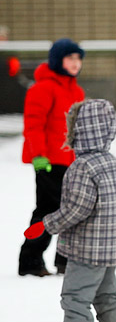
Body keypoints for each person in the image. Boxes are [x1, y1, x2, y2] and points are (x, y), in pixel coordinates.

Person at [23, 99, 116, 322]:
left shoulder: (82, 167)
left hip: (86, 247)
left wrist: (46, 224)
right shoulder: (113, 163)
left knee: (75, 294)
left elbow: (77, 210)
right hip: (110, 245)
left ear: (79, 130)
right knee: (107, 293)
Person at [18, 38, 86, 276]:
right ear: (58, 61)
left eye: (78, 58)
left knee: (73, 211)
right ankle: (30, 260)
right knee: (48, 211)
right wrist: (38, 155)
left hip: (71, 162)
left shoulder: (76, 90)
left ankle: (65, 260)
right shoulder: (42, 88)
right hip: (48, 161)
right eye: (70, 58)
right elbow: (33, 125)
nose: (76, 63)